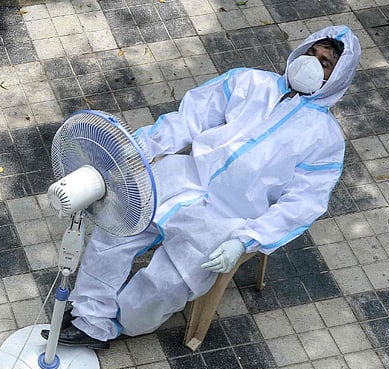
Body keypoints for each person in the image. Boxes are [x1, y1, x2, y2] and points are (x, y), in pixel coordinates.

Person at [43, 25, 361, 349]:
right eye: (311, 53)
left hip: (226, 219)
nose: (311, 63)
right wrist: (141, 149)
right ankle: (89, 318)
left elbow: (302, 204)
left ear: (336, 78)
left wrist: (246, 240)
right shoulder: (248, 82)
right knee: (114, 231)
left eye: (324, 63)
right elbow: (189, 118)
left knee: (169, 281)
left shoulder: (325, 140)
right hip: (182, 176)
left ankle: (113, 324)